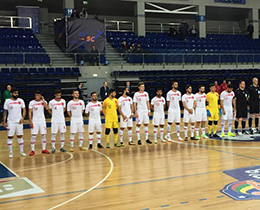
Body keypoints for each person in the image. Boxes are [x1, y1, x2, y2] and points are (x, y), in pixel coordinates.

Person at [3, 87, 26, 158]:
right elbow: (5, 112)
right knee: (10, 137)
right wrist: (4, 122)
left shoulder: (21, 101)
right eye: (15, 93)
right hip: (11, 122)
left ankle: (21, 151)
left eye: (17, 93)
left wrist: (23, 118)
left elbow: (24, 110)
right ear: (11, 93)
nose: (16, 94)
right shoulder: (7, 101)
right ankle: (10, 152)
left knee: (20, 136)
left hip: (19, 121)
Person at [28, 91, 50, 156]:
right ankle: (32, 150)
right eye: (36, 95)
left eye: (38, 95)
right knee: (33, 135)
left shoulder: (43, 102)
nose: (37, 97)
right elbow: (29, 112)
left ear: (40, 96)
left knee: (43, 135)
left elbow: (47, 108)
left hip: (42, 120)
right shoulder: (31, 102)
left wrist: (43, 100)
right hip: (35, 120)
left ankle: (44, 149)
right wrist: (30, 121)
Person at [48, 89, 67, 153]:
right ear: (54, 95)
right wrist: (53, 115)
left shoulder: (63, 101)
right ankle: (53, 147)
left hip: (61, 120)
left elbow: (64, 109)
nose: (58, 96)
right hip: (54, 120)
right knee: (53, 133)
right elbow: (49, 109)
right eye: (57, 95)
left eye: (59, 95)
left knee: (62, 133)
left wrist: (60, 114)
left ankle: (62, 147)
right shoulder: (51, 102)